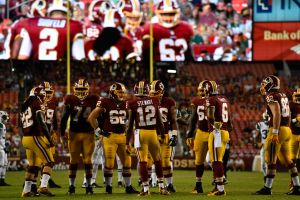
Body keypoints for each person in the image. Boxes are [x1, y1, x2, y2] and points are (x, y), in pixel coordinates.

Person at [87, 82, 138, 194]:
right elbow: (91, 118)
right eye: (119, 92)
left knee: (127, 162)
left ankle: (128, 187)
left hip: (123, 137)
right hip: (110, 136)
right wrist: (99, 131)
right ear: (112, 93)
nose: (122, 95)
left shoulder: (126, 104)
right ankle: (108, 187)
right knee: (109, 163)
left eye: (123, 93)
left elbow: (131, 120)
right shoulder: (105, 102)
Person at [254, 75, 300, 195]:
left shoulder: (271, 96)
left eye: (265, 83)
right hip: (286, 130)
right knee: (287, 160)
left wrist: (275, 131)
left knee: (271, 159)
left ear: (271, 84)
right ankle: (297, 186)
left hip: (278, 130)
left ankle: (267, 188)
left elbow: (277, 113)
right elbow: (288, 114)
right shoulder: (283, 95)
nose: (263, 86)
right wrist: (286, 128)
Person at [126, 80, 170, 196]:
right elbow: (160, 122)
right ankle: (162, 187)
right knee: (158, 160)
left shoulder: (132, 103)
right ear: (147, 90)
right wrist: (163, 134)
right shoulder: (154, 101)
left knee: (143, 161)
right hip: (153, 134)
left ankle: (145, 189)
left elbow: (130, 124)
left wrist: (127, 142)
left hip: (140, 133)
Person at [60, 79, 98, 195]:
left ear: (87, 89)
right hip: (76, 134)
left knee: (86, 160)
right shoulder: (89, 99)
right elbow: (64, 117)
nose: (81, 92)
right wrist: (62, 134)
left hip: (86, 134)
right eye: (79, 89)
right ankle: (74, 187)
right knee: (75, 161)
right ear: (75, 89)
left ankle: (86, 187)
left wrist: (62, 134)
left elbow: (64, 118)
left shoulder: (92, 99)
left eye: (83, 89)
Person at [17, 0, 85, 60]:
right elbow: (79, 56)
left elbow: (23, 55)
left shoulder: (32, 23)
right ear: (68, 12)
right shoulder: (74, 26)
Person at [20, 86, 55, 197]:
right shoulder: (36, 103)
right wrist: (49, 138)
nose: (44, 96)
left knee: (33, 166)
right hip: (35, 137)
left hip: (26, 138)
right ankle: (43, 186)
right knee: (49, 161)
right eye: (43, 94)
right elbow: (41, 121)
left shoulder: (26, 105)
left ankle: (26, 191)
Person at [148, 80, 178, 192]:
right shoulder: (146, 102)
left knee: (166, 161)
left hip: (165, 134)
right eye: (152, 93)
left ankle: (169, 184)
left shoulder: (169, 101)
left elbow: (173, 120)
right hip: (151, 134)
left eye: (156, 93)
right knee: (150, 160)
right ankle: (149, 183)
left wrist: (174, 135)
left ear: (162, 92)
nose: (154, 95)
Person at [206, 80, 232, 196]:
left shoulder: (211, 99)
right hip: (225, 131)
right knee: (217, 160)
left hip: (217, 132)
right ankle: (219, 184)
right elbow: (229, 119)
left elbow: (210, 116)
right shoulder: (224, 99)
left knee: (216, 160)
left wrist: (214, 125)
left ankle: (220, 189)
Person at [186, 80, 211, 194]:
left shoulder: (215, 100)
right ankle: (198, 185)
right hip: (201, 132)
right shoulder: (196, 101)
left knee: (214, 159)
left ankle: (219, 182)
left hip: (213, 132)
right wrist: (190, 134)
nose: (201, 92)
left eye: (203, 90)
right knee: (199, 160)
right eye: (200, 90)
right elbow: (193, 118)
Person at [288, 88, 300, 190]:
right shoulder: (290, 105)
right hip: (293, 134)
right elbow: (288, 119)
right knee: (292, 159)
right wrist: (296, 119)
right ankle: (293, 182)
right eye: (297, 96)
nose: (298, 98)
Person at [254, 110, 269, 182]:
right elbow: (257, 135)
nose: (267, 118)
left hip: (272, 145)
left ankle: (269, 177)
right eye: (266, 116)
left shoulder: (274, 123)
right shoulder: (260, 124)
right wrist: (256, 142)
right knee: (263, 163)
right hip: (264, 145)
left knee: (270, 162)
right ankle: (266, 175)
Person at [0, 111, 10, 186]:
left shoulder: (3, 125)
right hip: (0, 147)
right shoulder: (0, 125)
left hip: (2, 146)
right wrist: (4, 146)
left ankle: (2, 180)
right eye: (4, 117)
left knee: (5, 163)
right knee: (1, 163)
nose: (5, 118)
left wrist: (6, 144)